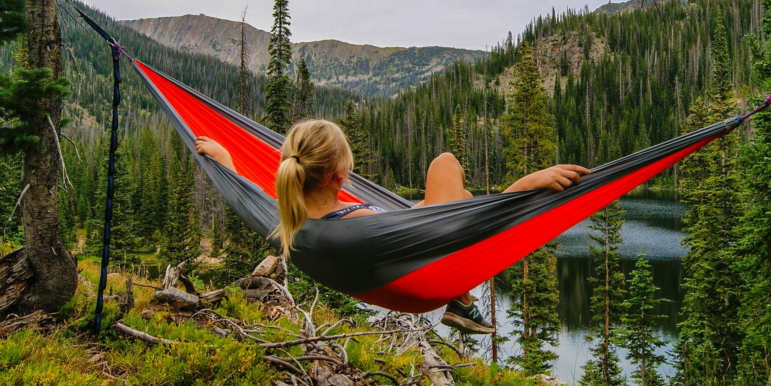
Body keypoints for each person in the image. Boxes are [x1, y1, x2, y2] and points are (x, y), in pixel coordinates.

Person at [195, 119, 589, 334]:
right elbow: (459, 235)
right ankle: (462, 300)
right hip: (423, 282)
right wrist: (521, 189)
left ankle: (464, 302)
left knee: (463, 197)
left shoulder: (288, 220)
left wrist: (226, 160)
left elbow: (249, 195)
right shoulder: (357, 227)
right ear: (338, 175)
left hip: (396, 261)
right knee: (445, 163)